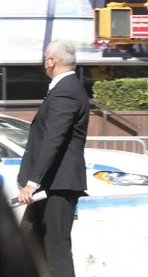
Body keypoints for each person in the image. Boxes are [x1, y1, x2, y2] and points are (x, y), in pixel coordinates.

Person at [17, 40, 90, 276]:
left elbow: (53, 139)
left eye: (45, 58)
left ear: (52, 61)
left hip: (57, 185)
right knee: (28, 244)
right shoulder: (64, 89)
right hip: (49, 185)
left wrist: (32, 182)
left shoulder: (66, 91)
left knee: (56, 250)